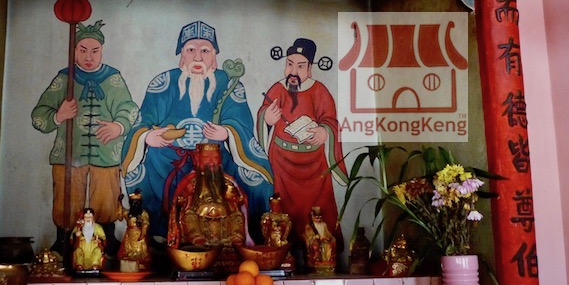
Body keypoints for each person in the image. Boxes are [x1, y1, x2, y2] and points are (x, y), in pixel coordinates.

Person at [121, 20, 274, 240]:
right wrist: (147, 136)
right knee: (139, 171)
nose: (198, 58)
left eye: (205, 51)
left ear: (214, 56)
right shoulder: (164, 82)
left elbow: (241, 123)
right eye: (191, 50)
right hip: (170, 159)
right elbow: (144, 120)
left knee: (256, 178)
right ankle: (159, 236)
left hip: (219, 159)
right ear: (182, 55)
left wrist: (227, 133)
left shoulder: (229, 83)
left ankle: (246, 236)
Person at [31, 20, 139, 248]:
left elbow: (129, 109)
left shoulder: (113, 78)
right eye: (83, 50)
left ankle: (106, 242)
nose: (89, 56)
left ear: (101, 51)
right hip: (69, 154)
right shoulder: (64, 79)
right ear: (74, 52)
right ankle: (65, 242)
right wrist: (58, 115)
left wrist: (118, 127)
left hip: (106, 154)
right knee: (67, 202)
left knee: (107, 200)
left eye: (94, 51)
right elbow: (38, 115)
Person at [257, 38, 346, 241]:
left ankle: (321, 250)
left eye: (300, 66)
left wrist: (324, 131)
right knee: (280, 214)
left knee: (319, 215)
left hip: (314, 167)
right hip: (281, 164)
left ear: (310, 68)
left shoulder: (320, 91)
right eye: (289, 64)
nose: (293, 71)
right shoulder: (277, 89)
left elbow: (331, 121)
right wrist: (267, 119)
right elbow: (263, 114)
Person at [303, 206, 336, 272]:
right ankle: (317, 259)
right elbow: (309, 235)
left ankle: (327, 260)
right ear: (312, 217)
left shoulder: (324, 224)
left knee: (330, 244)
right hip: (315, 241)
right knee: (316, 246)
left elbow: (327, 232)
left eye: (320, 218)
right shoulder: (309, 226)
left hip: (324, 240)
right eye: (317, 218)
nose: (319, 220)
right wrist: (315, 236)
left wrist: (329, 237)